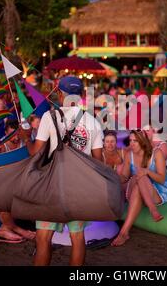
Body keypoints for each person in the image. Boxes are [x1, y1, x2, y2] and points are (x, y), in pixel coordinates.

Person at [24, 76, 103, 266]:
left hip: (52, 186)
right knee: (77, 239)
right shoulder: (93, 122)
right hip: (79, 188)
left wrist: (26, 138)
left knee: (43, 239)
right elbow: (98, 161)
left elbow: (36, 153)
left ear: (59, 93)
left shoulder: (49, 117)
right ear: (82, 95)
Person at [112, 130, 167, 247]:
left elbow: (161, 179)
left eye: (135, 141)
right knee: (139, 176)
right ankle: (152, 210)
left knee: (141, 175)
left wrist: (147, 172)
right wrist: (113, 175)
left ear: (143, 142)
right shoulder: (129, 154)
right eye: (130, 141)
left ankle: (124, 232)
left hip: (157, 191)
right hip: (137, 189)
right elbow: (124, 177)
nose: (132, 144)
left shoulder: (157, 153)